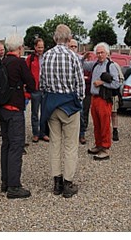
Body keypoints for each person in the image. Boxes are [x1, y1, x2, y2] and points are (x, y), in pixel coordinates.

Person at [40, 24, 85, 198]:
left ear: (54, 38)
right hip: (69, 105)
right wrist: (78, 100)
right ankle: (68, 182)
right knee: (70, 145)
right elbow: (80, 85)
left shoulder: (46, 56)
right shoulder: (73, 57)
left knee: (55, 143)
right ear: (68, 38)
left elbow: (42, 83)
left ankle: (56, 182)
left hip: (52, 104)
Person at [0, 34, 35, 199]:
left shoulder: (2, 61)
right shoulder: (19, 63)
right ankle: (14, 186)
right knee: (16, 146)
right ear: (19, 48)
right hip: (15, 110)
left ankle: (5, 182)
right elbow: (32, 83)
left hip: (2, 109)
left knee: (6, 145)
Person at [83, 43, 120, 161]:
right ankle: (98, 144)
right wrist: (83, 56)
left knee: (104, 124)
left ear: (107, 53)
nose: (99, 55)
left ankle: (105, 148)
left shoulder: (111, 66)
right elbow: (82, 64)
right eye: (97, 53)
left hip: (104, 99)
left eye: (102, 52)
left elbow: (116, 83)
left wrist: (102, 83)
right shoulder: (95, 65)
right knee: (97, 124)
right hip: (95, 98)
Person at [26, 37, 49, 143]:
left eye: (42, 47)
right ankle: (35, 133)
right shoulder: (30, 59)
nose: (41, 49)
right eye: (39, 47)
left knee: (45, 112)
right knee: (34, 113)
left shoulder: (47, 57)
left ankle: (43, 133)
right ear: (35, 47)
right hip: (35, 90)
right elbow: (25, 73)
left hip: (45, 89)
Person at [68, 39, 86, 145]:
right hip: (68, 91)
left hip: (77, 91)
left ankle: (82, 134)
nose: (73, 48)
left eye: (75, 46)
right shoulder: (64, 58)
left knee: (81, 114)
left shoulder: (80, 59)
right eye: (71, 46)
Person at [110, 59, 124, 141]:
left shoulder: (115, 65)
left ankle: (115, 130)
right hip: (103, 94)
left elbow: (121, 78)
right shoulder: (99, 65)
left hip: (113, 93)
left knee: (114, 113)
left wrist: (116, 86)